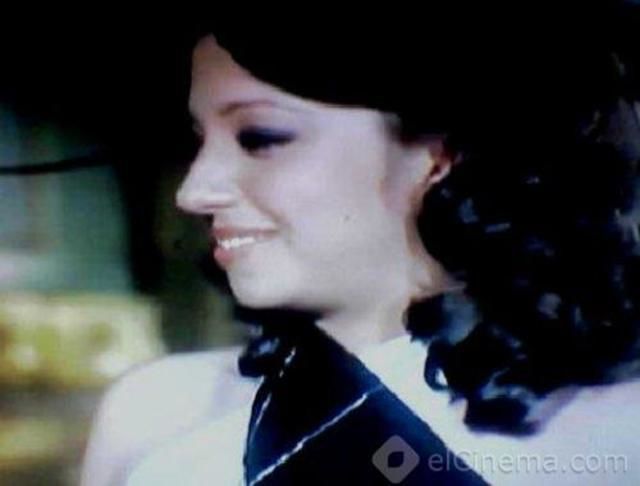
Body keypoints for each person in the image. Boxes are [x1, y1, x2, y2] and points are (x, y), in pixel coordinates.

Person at [81, 7, 640, 485]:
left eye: (261, 138)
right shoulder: (159, 412)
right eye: (200, 141)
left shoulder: (616, 436)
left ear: (440, 153)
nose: (193, 192)